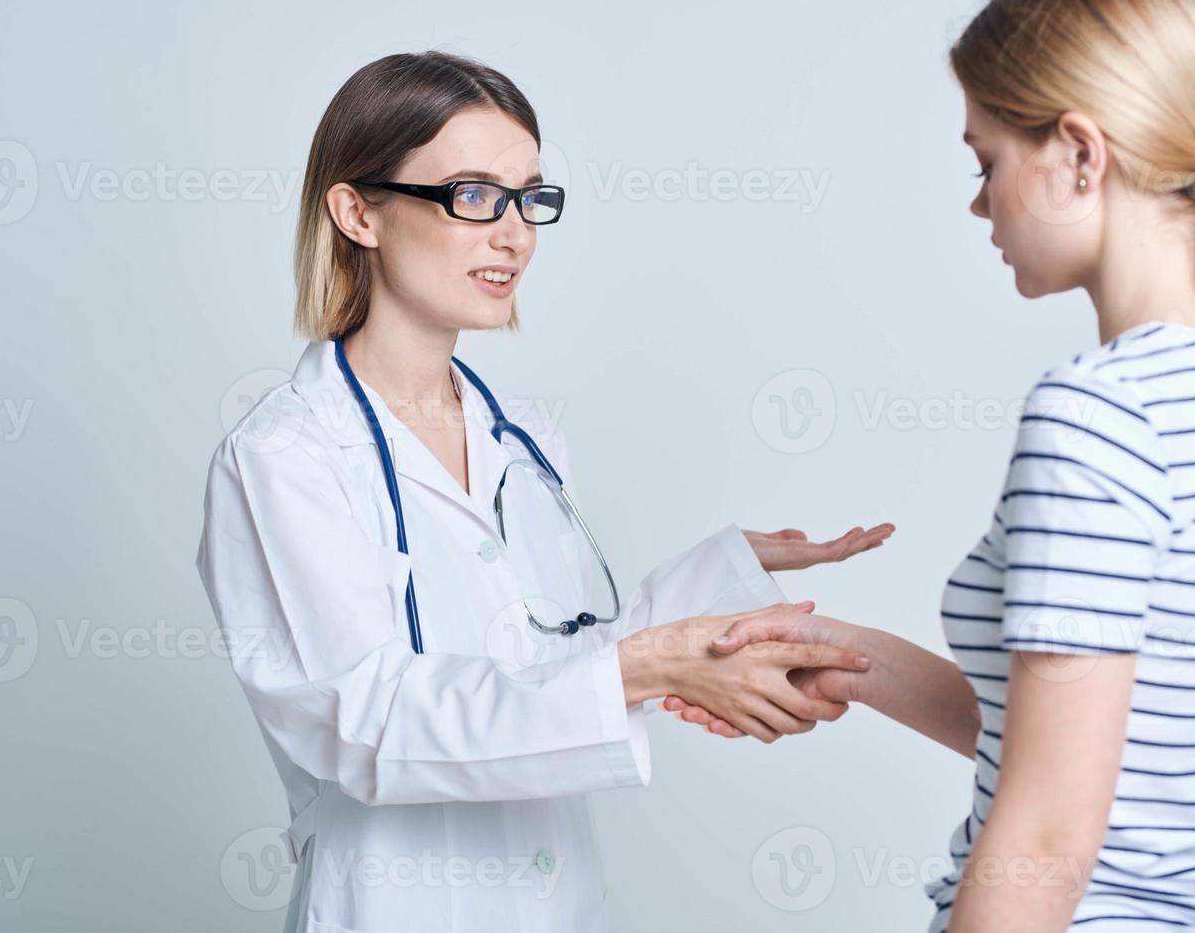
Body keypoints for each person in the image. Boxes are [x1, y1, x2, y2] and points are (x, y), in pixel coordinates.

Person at [195, 50, 893, 933]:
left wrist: (718, 588)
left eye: (529, 197)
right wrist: (642, 666)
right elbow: (360, 729)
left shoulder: (522, 439)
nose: (514, 233)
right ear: (357, 210)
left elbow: (543, 666)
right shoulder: (282, 457)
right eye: (472, 194)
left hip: (556, 899)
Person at [665, 0, 1195, 929]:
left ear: (1080, 153)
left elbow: (1045, 832)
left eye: (985, 159)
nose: (976, 202)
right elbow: (1105, 756)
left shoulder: (1099, 416)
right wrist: (847, 650)